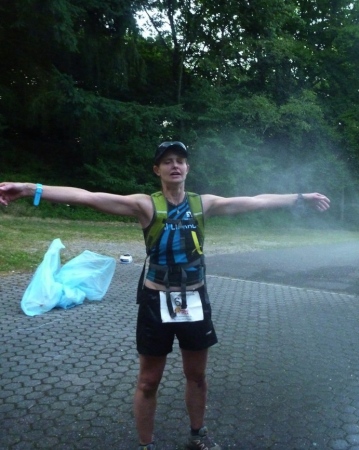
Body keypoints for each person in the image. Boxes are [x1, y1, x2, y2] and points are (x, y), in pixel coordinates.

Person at [0, 141, 331, 450]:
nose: (175, 165)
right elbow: (87, 197)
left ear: (187, 168)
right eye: (168, 161)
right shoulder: (145, 205)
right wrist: (29, 189)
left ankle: (197, 435)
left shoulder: (203, 204)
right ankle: (146, 445)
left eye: (180, 161)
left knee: (197, 376)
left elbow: (255, 201)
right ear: (157, 170)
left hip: (194, 301)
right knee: (148, 381)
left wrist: (300, 197)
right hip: (155, 302)